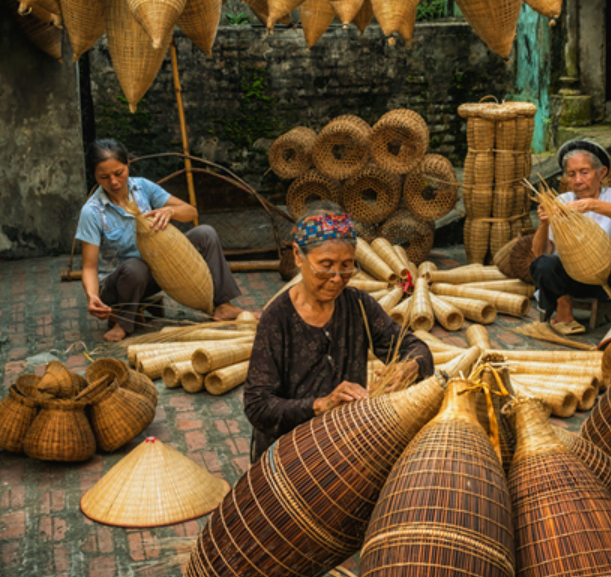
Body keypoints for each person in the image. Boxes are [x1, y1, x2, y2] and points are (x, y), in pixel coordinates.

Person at [243, 202, 434, 463]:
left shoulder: (357, 304)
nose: (336, 277)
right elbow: (258, 406)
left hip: (346, 443)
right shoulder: (277, 319)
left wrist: (410, 366)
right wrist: (321, 405)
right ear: (298, 256)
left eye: (346, 266)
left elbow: (414, 347)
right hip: (290, 455)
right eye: (326, 265)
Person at [76, 138, 246, 342]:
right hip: (119, 286)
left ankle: (222, 305)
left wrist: (171, 211)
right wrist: (92, 296)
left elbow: (190, 212)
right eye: (104, 177)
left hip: (155, 273)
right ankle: (124, 323)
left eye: (119, 173)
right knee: (135, 267)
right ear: (94, 175)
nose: (113, 181)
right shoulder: (92, 211)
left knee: (205, 233)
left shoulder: (143, 188)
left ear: (128, 164)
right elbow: (89, 266)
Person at [530, 139, 611, 335]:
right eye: (571, 174)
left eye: (584, 173)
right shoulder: (561, 201)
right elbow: (540, 253)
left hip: (608, 280)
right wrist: (544, 223)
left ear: (602, 173)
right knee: (543, 264)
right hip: (572, 282)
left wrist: (591, 205)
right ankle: (563, 308)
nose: (577, 180)